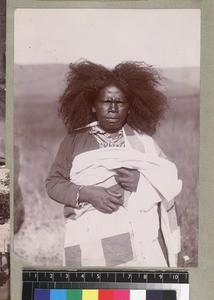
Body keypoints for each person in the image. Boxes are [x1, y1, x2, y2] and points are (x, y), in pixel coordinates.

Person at [46, 60, 182, 267]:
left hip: (141, 242)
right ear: (93, 105)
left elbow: (168, 181)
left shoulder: (144, 142)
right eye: (105, 101)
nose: (112, 109)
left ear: (129, 108)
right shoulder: (74, 140)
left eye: (120, 103)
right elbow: (53, 183)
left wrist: (141, 182)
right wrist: (87, 193)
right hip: (90, 238)